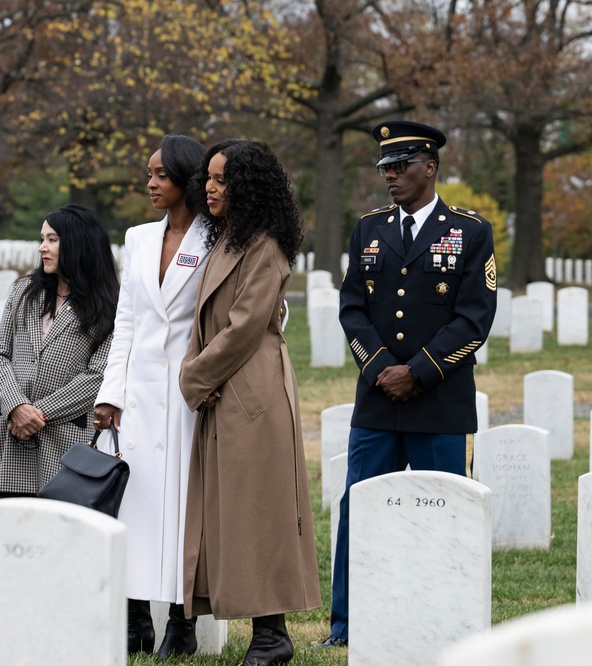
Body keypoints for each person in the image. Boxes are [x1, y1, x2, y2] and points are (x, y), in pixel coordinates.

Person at [316, 120, 497, 649]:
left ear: (430, 167)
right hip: (377, 402)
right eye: (385, 168)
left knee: (446, 511)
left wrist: (416, 370)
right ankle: (347, 624)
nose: (390, 176)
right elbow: (353, 308)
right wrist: (377, 368)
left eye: (400, 166)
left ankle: (448, 615)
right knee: (360, 508)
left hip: (439, 400)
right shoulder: (369, 228)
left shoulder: (469, 230)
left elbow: (474, 319)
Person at [179, 140, 321, 666]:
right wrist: (199, 375)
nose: (211, 188)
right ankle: (256, 630)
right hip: (223, 385)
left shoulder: (265, 244)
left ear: (249, 186)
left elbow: (244, 327)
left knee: (258, 510)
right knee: (229, 510)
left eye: (222, 180)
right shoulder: (227, 238)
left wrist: (193, 377)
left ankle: (272, 635)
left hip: (250, 387)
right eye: (209, 179)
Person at [93, 135, 209, 657]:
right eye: (149, 173)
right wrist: (110, 391)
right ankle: (136, 616)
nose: (151, 183)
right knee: (134, 505)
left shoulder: (218, 237)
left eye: (162, 174)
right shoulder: (138, 238)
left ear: (187, 179)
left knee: (184, 509)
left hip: (188, 395)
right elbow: (127, 320)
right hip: (136, 397)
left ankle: (182, 624)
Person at [0, 204, 119, 498]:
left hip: (65, 438)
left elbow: (98, 375)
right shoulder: (23, 290)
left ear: (78, 243)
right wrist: (17, 407)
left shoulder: (108, 306)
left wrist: (37, 415)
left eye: (52, 239)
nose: (42, 247)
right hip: (13, 435)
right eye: (42, 239)